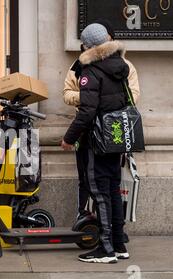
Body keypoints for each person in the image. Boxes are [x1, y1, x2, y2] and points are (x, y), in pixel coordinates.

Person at [61, 23, 131, 264]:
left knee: (100, 193)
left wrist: (68, 138)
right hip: (116, 138)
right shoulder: (120, 66)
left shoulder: (90, 71)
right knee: (112, 190)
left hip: (96, 140)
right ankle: (119, 245)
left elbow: (87, 111)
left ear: (87, 45)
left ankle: (106, 249)